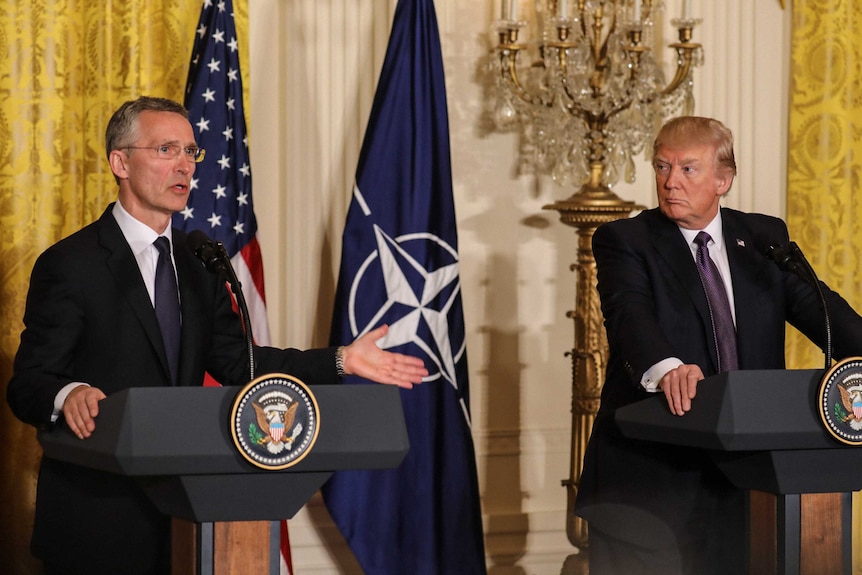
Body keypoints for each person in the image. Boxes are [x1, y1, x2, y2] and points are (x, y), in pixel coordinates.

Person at [6, 96, 428, 575]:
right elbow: (29, 383)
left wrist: (340, 361)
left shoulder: (199, 262)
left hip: (188, 518)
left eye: (190, 152)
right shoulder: (72, 264)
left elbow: (239, 364)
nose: (184, 164)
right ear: (119, 162)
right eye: (166, 149)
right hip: (98, 521)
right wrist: (69, 392)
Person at [574, 116, 862, 574]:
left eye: (688, 169)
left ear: (723, 180)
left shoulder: (763, 239)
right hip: (649, 484)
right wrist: (668, 367)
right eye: (662, 167)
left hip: (749, 482)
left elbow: (822, 309)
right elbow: (629, 315)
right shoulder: (626, 240)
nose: (670, 182)